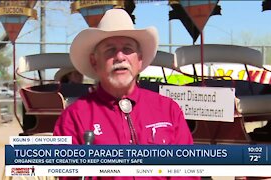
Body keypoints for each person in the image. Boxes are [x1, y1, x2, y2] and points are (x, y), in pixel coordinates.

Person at [54, 9, 199, 180]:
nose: (120, 57)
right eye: (110, 50)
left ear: (139, 60)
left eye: (127, 49)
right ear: (94, 61)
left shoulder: (169, 110)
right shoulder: (74, 118)